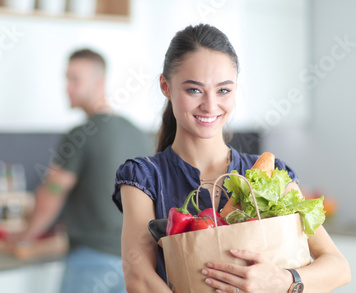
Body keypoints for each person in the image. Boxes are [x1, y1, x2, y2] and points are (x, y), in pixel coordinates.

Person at [112, 24, 351, 292]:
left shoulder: (268, 173)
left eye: (223, 90)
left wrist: (284, 280)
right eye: (194, 90)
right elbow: (139, 278)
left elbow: (338, 266)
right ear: (165, 87)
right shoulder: (143, 178)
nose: (210, 105)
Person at [18, 49, 152, 293]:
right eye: (66, 79)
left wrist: (24, 236)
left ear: (99, 83)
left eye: (74, 80)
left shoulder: (79, 134)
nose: (66, 87)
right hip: (134, 263)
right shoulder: (137, 133)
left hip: (91, 261)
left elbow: (53, 193)